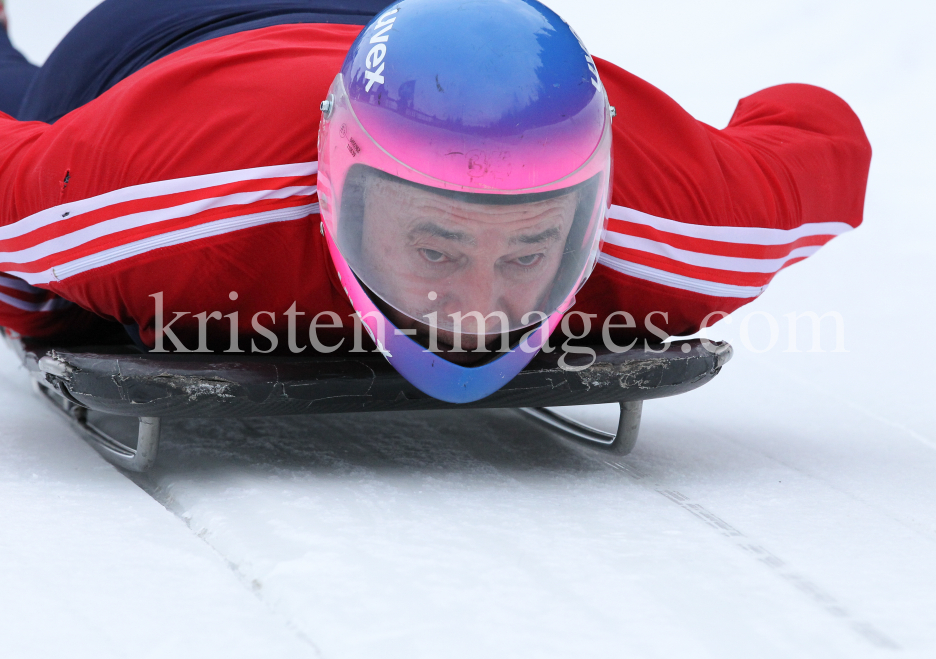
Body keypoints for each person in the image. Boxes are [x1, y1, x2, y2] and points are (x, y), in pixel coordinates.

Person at [0, 0, 871, 402]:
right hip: (159, 44)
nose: (478, 313)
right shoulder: (155, 198)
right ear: (338, 184)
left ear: (592, 202)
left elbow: (821, 143)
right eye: (438, 247)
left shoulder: (675, 220)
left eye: (530, 251)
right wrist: (44, 302)